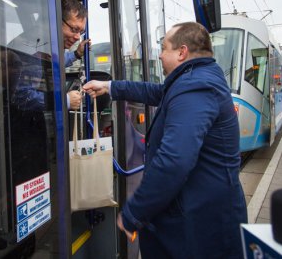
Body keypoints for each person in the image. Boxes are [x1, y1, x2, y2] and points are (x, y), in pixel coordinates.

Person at [83, 22, 247, 258]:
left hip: (197, 226)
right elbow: (155, 92)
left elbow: (174, 160)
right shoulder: (195, 79)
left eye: (163, 48)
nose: (159, 54)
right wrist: (109, 86)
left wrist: (133, 213)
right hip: (195, 215)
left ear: (181, 52)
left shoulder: (195, 86)